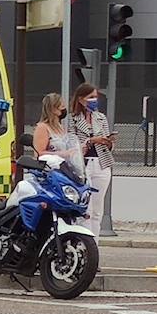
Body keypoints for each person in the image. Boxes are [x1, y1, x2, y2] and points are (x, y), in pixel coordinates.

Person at [69, 83, 115, 236]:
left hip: (102, 164)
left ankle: (94, 245)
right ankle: (85, 243)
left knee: (97, 209)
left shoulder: (101, 118)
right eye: (91, 97)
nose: (94, 100)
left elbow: (109, 145)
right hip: (84, 164)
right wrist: (90, 141)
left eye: (96, 97)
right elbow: (72, 145)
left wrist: (108, 142)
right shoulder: (73, 119)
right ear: (81, 99)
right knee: (86, 209)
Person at [32, 93, 83, 173]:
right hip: (50, 171)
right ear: (53, 109)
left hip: (66, 169)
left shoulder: (60, 126)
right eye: (62, 107)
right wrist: (62, 154)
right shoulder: (42, 127)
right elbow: (39, 153)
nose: (64, 109)